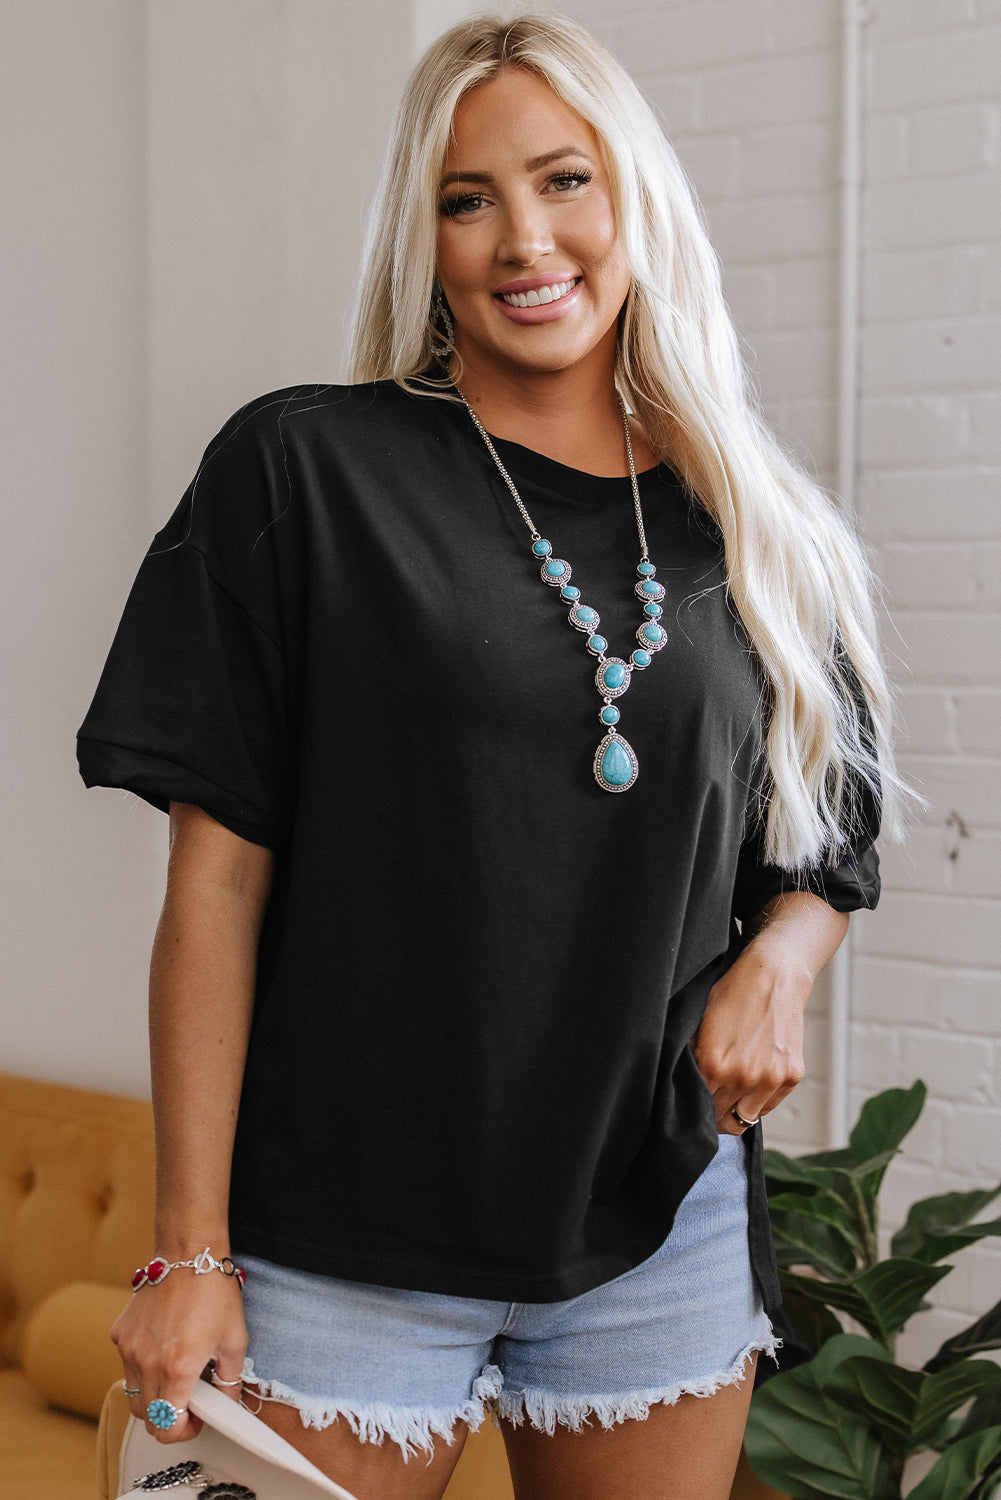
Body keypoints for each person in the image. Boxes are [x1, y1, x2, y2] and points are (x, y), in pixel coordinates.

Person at [78, 14, 902, 1500]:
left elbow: (827, 830)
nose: (525, 239)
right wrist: (187, 1249)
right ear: (426, 234)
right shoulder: (305, 471)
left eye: (564, 180)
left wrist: (780, 962)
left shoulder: (750, 520)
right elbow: (214, 890)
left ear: (634, 196)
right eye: (469, 199)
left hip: (656, 1226)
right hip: (342, 1237)